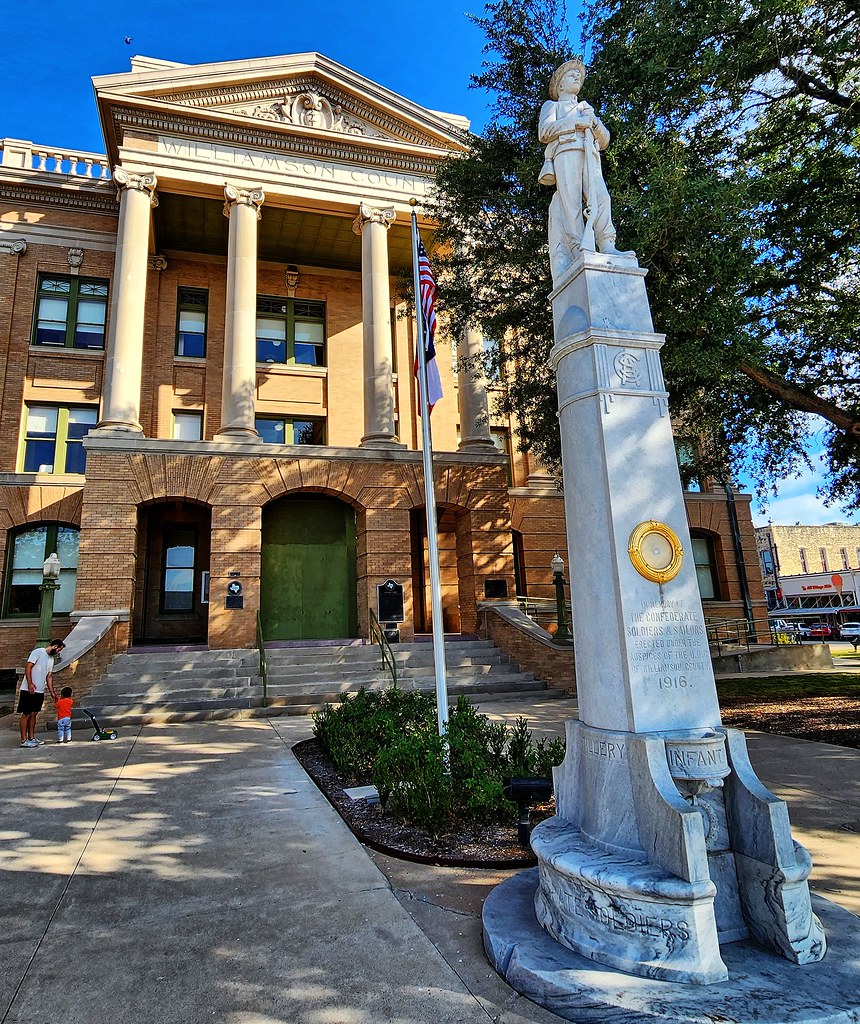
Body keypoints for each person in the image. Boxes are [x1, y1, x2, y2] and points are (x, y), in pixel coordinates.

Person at [538, 59, 632, 282]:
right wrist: (575, 122)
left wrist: (594, 123)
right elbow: (544, 131)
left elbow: (605, 139)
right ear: (560, 85)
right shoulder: (552, 106)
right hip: (566, 153)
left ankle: (607, 243)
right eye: (571, 76)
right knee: (570, 203)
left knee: (601, 197)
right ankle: (579, 247)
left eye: (578, 76)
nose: (577, 78)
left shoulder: (586, 107)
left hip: (590, 154)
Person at [18, 638, 65, 748]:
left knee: (34, 713)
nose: (58, 652)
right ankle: (23, 740)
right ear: (55, 646)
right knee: (26, 714)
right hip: (28, 689)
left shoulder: (51, 659)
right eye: (59, 650)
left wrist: (52, 692)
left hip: (39, 690)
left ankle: (32, 737)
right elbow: (28, 666)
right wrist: (30, 683)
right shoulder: (38, 652)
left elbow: (49, 676)